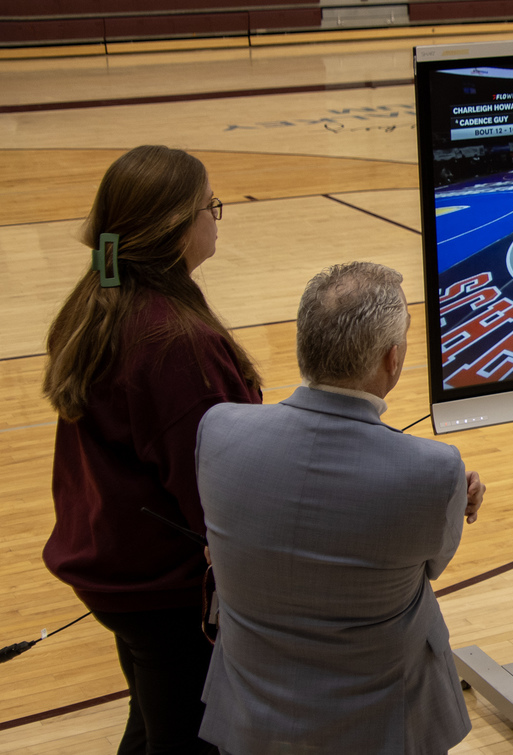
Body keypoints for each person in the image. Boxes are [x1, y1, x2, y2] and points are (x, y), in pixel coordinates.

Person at [196, 262, 485, 755]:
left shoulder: (218, 429)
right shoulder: (435, 471)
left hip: (253, 720)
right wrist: (449, 497)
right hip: (383, 726)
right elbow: (428, 566)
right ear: (392, 359)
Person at [41, 145, 263, 754]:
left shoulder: (100, 302)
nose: (215, 219)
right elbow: (217, 486)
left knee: (152, 724)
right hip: (167, 589)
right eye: (209, 207)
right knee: (188, 740)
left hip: (121, 570)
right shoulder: (172, 341)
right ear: (176, 227)